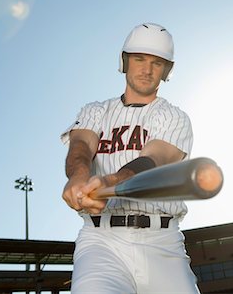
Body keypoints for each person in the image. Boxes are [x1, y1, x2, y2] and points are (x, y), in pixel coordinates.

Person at [61, 22, 200, 294]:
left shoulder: (173, 117)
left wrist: (110, 181)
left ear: (165, 71)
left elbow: (153, 160)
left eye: (156, 63)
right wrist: (78, 178)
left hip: (162, 242)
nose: (147, 69)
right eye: (139, 59)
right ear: (125, 62)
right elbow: (81, 147)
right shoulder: (96, 111)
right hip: (101, 241)